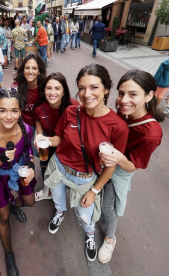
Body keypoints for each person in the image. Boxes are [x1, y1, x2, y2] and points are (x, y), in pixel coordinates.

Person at [36, 63, 129, 262]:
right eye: (81, 88)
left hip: (85, 178)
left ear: (106, 89)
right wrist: (46, 140)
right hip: (59, 168)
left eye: (94, 87)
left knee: (86, 215)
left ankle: (89, 234)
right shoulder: (71, 111)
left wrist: (94, 191)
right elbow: (60, 138)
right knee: (58, 200)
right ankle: (60, 213)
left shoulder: (118, 126)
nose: (86, 94)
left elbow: (111, 165)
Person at [97, 70, 164, 263]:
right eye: (121, 93)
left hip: (121, 169)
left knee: (109, 207)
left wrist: (117, 158)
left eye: (133, 94)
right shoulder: (125, 111)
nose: (123, 100)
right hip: (109, 158)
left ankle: (110, 238)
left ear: (149, 95)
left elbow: (133, 166)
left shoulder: (151, 134)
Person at [0, 89, 37, 276]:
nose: (9, 116)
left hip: (19, 171)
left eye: (14, 111)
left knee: (30, 202)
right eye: (3, 110)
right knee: (3, 217)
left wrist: (31, 166)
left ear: (20, 111)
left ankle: (13, 204)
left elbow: (29, 153)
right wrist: (1, 158)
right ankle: (8, 254)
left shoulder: (27, 129)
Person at [33, 72, 77, 201]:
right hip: (49, 140)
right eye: (48, 88)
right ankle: (47, 191)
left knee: (65, 170)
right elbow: (38, 120)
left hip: (68, 144)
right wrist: (40, 135)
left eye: (57, 88)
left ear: (64, 92)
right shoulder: (40, 107)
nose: (52, 92)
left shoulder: (74, 107)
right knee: (44, 163)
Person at [13, 53, 47, 154]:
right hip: (25, 123)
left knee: (43, 149)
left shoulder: (45, 87)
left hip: (42, 121)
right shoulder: (17, 87)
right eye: (27, 68)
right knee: (28, 149)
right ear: (23, 71)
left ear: (39, 71)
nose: (30, 71)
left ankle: (43, 165)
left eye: (34, 68)